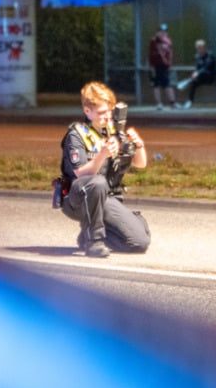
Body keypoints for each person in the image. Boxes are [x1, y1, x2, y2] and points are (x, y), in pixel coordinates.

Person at [55, 81, 151, 258]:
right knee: (97, 182)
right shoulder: (77, 135)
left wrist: (139, 145)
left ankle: (90, 234)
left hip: (109, 198)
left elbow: (140, 164)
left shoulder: (115, 131)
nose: (107, 116)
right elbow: (81, 174)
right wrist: (102, 155)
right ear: (87, 111)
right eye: (101, 112)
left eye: (109, 111)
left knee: (139, 242)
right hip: (78, 198)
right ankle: (93, 241)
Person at [148, 23, 178, 109]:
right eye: (161, 31)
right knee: (157, 84)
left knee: (167, 83)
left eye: (164, 32)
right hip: (156, 66)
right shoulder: (153, 41)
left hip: (165, 66)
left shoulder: (168, 41)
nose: (162, 33)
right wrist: (151, 66)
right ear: (157, 32)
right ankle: (159, 103)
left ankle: (172, 102)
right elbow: (150, 54)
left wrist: (169, 64)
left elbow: (170, 54)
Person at [181, 39, 216, 108]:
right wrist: (194, 75)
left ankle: (189, 82)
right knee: (193, 82)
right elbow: (197, 68)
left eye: (200, 48)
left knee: (202, 73)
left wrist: (197, 73)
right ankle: (189, 101)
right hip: (200, 78)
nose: (199, 50)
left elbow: (206, 67)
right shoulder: (197, 57)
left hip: (210, 77)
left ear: (204, 48)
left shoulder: (210, 56)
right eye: (197, 48)